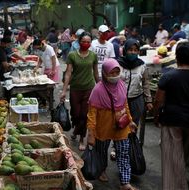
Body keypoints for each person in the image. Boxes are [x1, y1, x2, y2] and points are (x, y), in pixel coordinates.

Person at [87, 58, 138, 190]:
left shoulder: (121, 84)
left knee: (123, 153)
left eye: (117, 72)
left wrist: (130, 120)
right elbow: (92, 114)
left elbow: (125, 104)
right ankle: (102, 170)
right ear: (104, 73)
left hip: (121, 127)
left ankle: (125, 182)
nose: (115, 76)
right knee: (102, 152)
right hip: (103, 127)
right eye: (112, 73)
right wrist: (91, 134)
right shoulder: (97, 90)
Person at [153, 42, 189, 190]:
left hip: (172, 120)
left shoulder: (168, 76)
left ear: (176, 56)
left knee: (171, 156)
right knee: (183, 155)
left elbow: (158, 100)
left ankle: (175, 186)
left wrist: (156, 115)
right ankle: (180, 180)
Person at [60, 32, 99, 151]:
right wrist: (64, 90)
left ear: (90, 43)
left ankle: (82, 138)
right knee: (75, 114)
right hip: (75, 89)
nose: (86, 44)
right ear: (79, 42)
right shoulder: (72, 55)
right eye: (83, 41)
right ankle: (76, 129)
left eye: (88, 42)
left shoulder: (93, 55)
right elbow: (68, 73)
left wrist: (101, 87)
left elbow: (96, 73)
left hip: (89, 88)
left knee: (84, 115)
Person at [118, 39, 153, 126]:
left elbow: (145, 83)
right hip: (120, 100)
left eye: (135, 50)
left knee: (134, 124)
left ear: (138, 51)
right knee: (120, 124)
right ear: (125, 50)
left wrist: (148, 100)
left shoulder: (142, 65)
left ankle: (132, 139)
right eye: (130, 50)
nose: (133, 52)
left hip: (136, 100)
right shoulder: (118, 64)